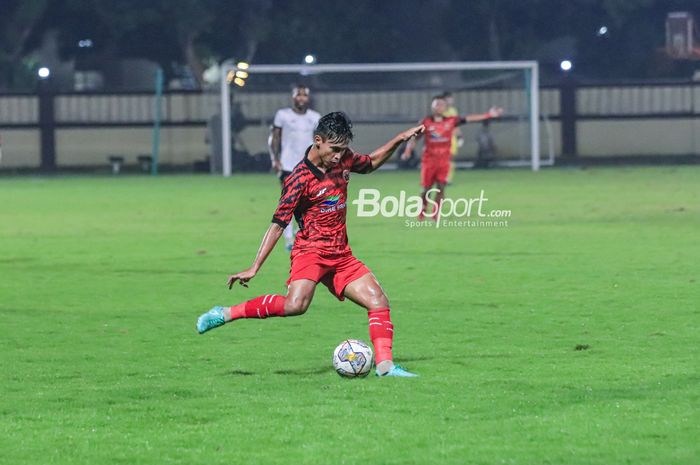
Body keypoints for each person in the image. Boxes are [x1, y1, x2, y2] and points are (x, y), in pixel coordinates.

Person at [197, 112, 425, 378]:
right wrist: (254, 267)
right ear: (318, 141)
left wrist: (399, 138)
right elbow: (278, 224)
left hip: (341, 255)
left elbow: (371, 162)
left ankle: (385, 367)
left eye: (343, 149)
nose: (340, 156)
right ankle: (225, 313)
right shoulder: (298, 179)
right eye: (334, 149)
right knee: (296, 306)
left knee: (378, 301)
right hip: (311, 252)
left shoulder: (344, 159)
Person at [402, 95, 503, 220]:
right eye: (436, 104)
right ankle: (422, 212)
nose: (438, 107)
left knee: (441, 187)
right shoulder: (426, 122)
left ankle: (435, 214)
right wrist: (407, 151)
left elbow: (469, 118)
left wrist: (488, 115)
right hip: (429, 160)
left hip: (444, 160)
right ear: (432, 107)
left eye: (441, 104)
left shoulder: (451, 120)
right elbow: (414, 138)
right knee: (426, 188)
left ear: (445, 107)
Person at [269, 85, 321, 251]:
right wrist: (275, 159)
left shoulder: (315, 117)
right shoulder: (282, 115)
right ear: (293, 97)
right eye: (298, 95)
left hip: (309, 165)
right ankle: (288, 238)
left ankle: (302, 234)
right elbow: (274, 138)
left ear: (308, 98)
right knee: (288, 202)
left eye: (304, 95)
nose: (301, 98)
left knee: (309, 202)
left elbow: (320, 141)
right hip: (287, 164)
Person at [441, 92, 463, 184]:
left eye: (451, 98)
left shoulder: (453, 111)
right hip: (441, 138)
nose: (451, 100)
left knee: (450, 158)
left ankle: (448, 178)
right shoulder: (440, 111)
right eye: (449, 98)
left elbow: (456, 125)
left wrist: (460, 136)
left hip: (452, 138)